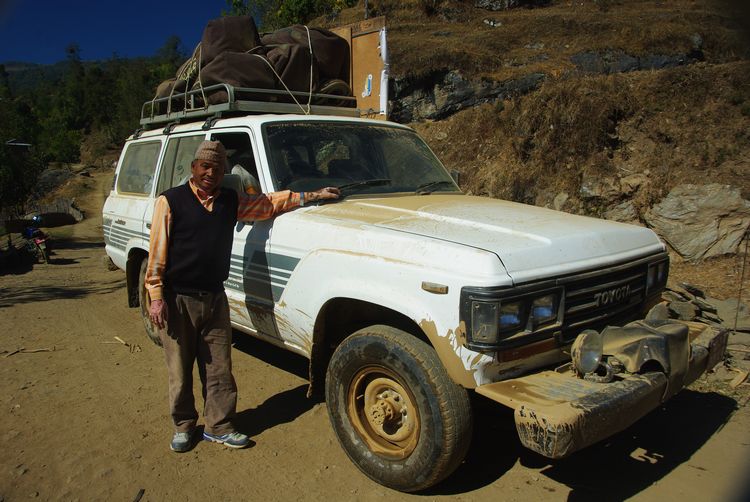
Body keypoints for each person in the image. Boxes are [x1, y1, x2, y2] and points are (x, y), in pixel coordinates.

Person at [145, 140, 339, 452]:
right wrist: (155, 297)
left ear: (224, 173)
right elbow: (157, 253)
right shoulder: (170, 201)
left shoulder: (229, 201)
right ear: (193, 168)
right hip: (176, 299)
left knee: (219, 369)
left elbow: (269, 203)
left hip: (215, 299)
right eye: (205, 167)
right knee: (179, 371)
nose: (211, 173)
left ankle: (218, 426)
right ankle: (183, 425)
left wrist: (313, 195)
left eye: (218, 168)